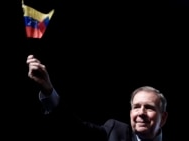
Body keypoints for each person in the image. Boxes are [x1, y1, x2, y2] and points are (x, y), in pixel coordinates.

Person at [26, 54, 168, 141]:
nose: (141, 113)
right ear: (131, 113)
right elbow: (73, 128)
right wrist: (48, 90)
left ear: (163, 118)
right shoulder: (115, 131)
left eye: (149, 107)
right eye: (136, 107)